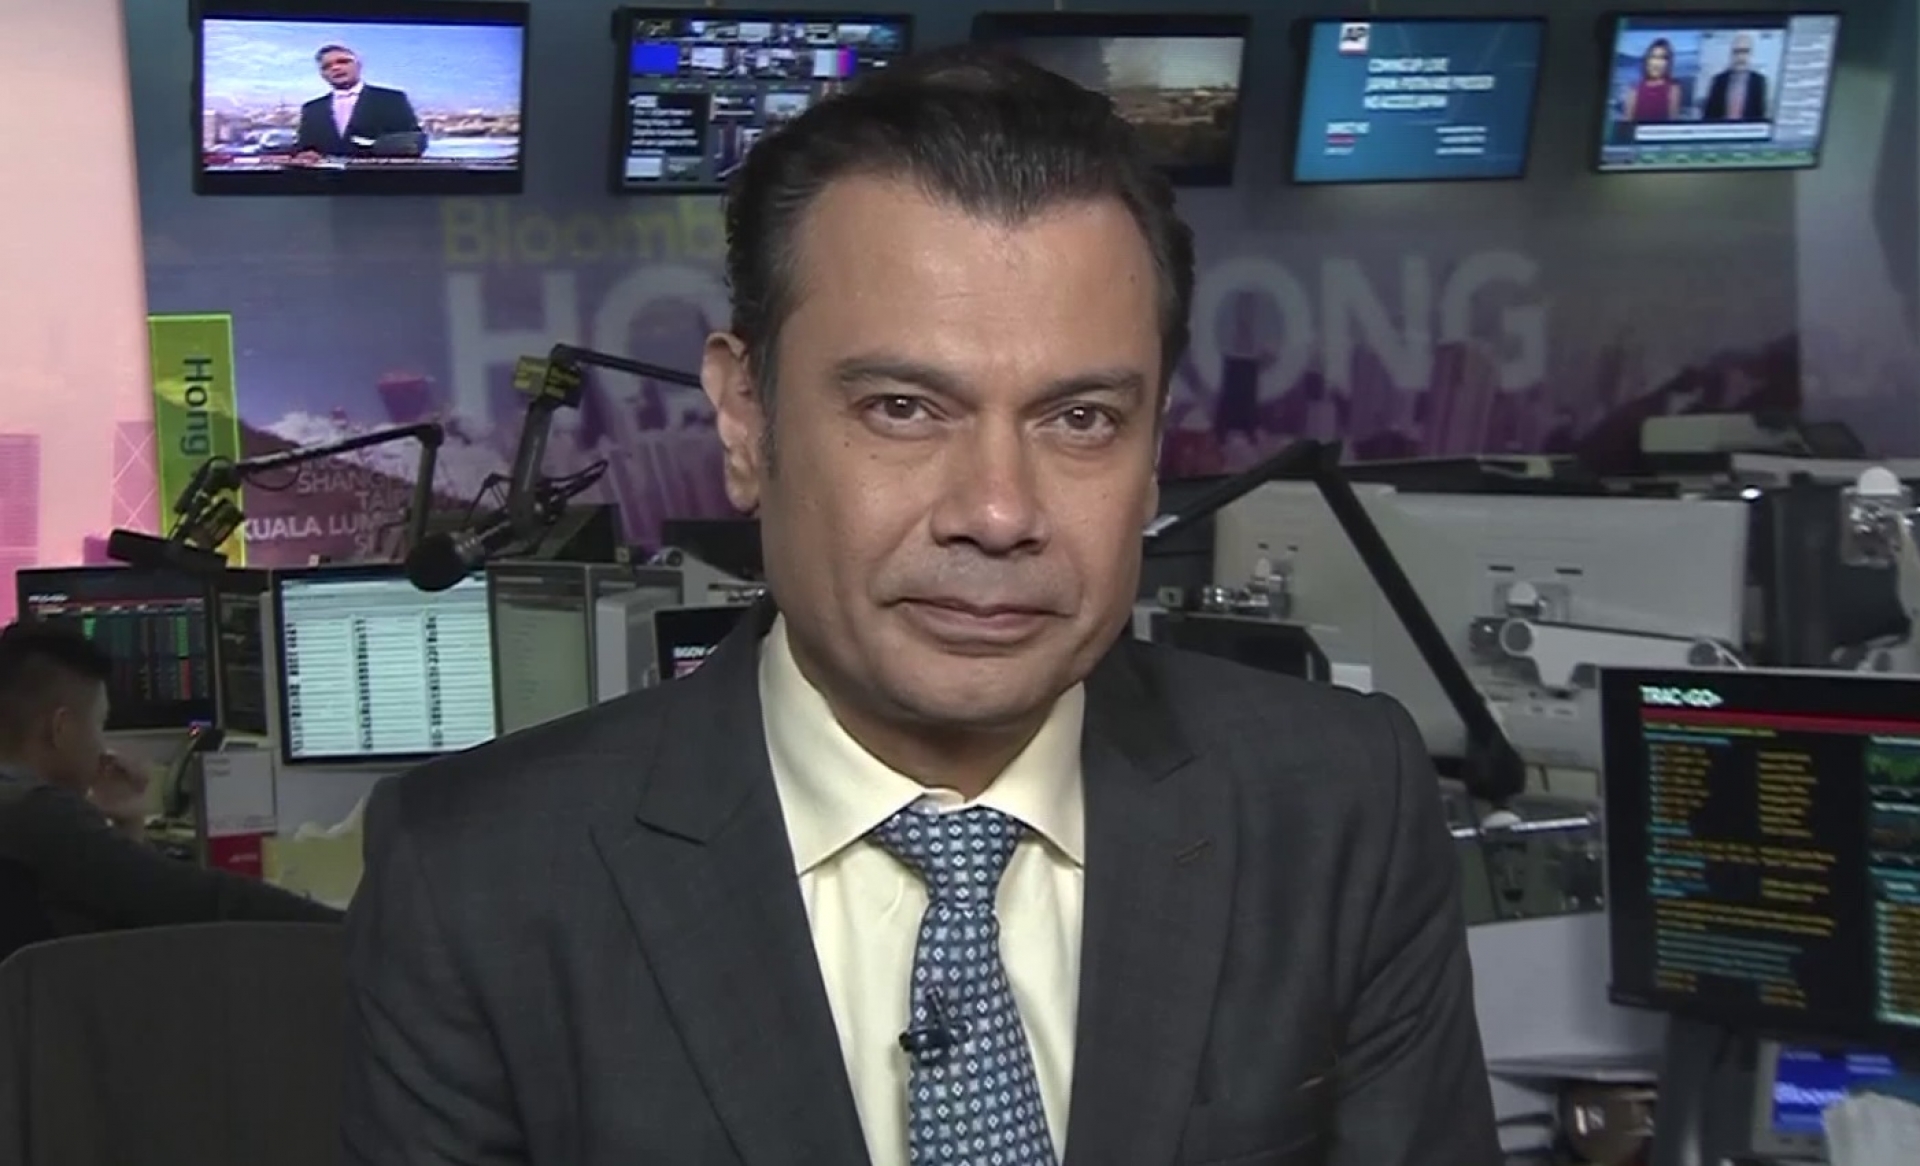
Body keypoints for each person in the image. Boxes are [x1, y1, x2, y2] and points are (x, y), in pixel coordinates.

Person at [341, 44, 1497, 1166]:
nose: (997, 512)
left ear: (1153, 448)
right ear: (744, 420)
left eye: (1081, 418)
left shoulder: (1339, 802)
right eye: (902, 407)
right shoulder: (479, 875)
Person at [0, 620, 340, 963]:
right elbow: (203, 902)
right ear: (61, 729)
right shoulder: (39, 812)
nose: (103, 747)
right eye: (99, 725)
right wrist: (349, 929)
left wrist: (128, 824)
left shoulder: (22, 809)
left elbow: (123, 900)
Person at [293, 44, 423, 162]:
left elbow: (411, 142)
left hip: (379, 177)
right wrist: (306, 154)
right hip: (326, 179)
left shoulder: (391, 99)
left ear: (358, 65)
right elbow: (305, 147)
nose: (335, 68)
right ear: (322, 74)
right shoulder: (312, 108)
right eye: (326, 66)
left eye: (343, 62)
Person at [1703, 32, 1769, 122]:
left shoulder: (1759, 81)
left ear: (1751, 54)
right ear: (1731, 54)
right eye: (1736, 52)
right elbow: (1709, 115)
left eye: (1745, 51)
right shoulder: (1718, 80)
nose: (1740, 57)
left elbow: (1760, 115)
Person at [1621, 37, 1682, 123]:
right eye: (1653, 57)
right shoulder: (1634, 89)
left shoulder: (1673, 88)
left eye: (1662, 58)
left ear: (1668, 63)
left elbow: (1673, 122)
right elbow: (1627, 122)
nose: (1656, 63)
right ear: (1647, 60)